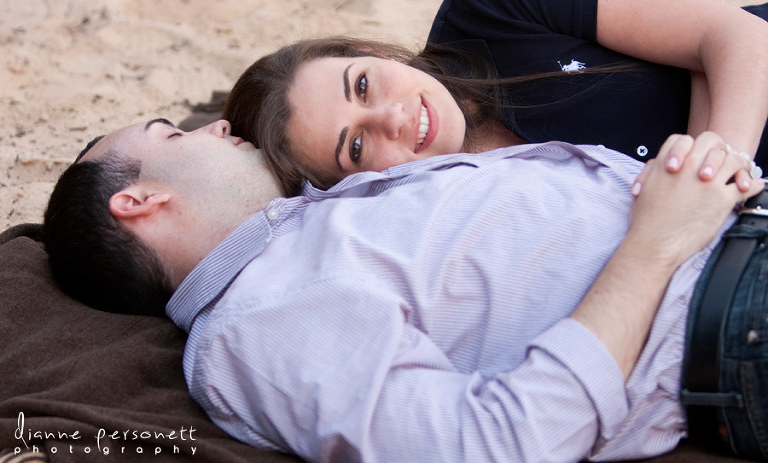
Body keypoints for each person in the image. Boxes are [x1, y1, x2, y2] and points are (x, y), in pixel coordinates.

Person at [43, 117, 767, 462]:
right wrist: (656, 241)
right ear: (138, 201)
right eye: (171, 132)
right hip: (733, 312)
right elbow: (498, 445)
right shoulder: (258, 323)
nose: (216, 123)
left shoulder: (306, 228)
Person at [222, 0, 768, 196]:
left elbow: (741, 38)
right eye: (356, 148)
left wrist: (716, 172)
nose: (391, 116)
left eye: (362, 84)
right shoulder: (462, 219)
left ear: (370, 50)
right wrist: (699, 65)